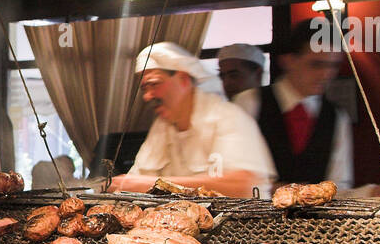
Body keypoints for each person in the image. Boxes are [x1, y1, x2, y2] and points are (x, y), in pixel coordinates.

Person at [108, 42, 276, 197]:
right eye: (145, 88)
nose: (147, 96)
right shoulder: (162, 126)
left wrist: (155, 184)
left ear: (183, 79)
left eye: (154, 84)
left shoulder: (228, 117)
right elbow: (134, 181)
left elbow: (244, 183)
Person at [233, 19, 353, 191]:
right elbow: (234, 176)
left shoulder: (337, 116)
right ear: (288, 60)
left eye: (333, 66)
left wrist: (372, 192)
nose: (326, 75)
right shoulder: (249, 103)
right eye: (316, 64)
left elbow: (340, 185)